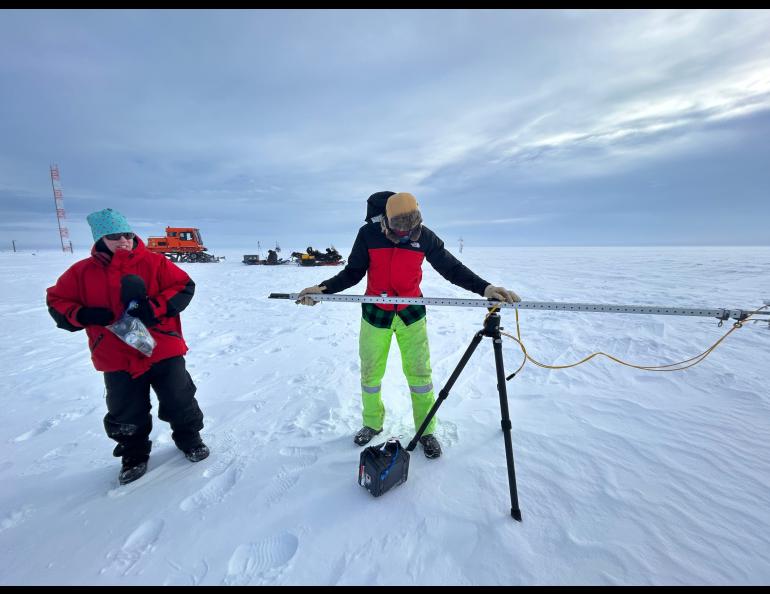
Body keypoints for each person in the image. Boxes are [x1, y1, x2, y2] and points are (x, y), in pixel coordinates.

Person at [297, 192, 520, 458]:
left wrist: (486, 287)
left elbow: (452, 268)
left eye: (410, 229)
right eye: (398, 229)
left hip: (411, 316)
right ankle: (372, 422)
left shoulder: (425, 236)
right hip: (375, 315)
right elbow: (353, 272)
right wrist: (323, 289)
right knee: (371, 375)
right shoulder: (368, 235)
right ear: (385, 222)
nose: (405, 235)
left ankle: (425, 430)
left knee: (420, 377)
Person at [46, 208, 209, 485]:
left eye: (127, 234)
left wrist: (154, 307)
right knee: (125, 409)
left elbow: (183, 286)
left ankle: (190, 438)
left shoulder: (155, 263)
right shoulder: (81, 272)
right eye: (113, 236)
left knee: (179, 397)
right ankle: (133, 453)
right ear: (100, 239)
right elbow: (57, 301)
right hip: (115, 354)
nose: (123, 240)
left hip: (162, 348)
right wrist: (83, 315)